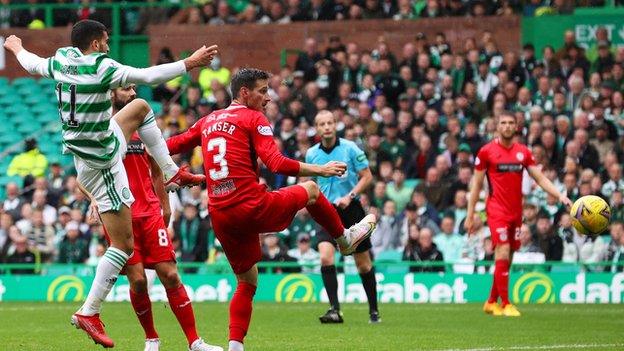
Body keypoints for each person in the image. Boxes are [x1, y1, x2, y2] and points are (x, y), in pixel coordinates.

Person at [3, 19, 217, 347]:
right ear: (96, 43)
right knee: (124, 246)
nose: (108, 45)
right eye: (105, 40)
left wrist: (15, 46)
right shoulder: (102, 67)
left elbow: (31, 62)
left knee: (141, 107)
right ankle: (89, 311)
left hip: (86, 146)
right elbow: (148, 76)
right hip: (103, 160)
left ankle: (172, 170)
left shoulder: (61, 61)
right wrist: (189, 63)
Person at [166, 68, 377, 351]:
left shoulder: (209, 120)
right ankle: (344, 239)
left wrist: (134, 146)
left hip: (221, 215)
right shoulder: (253, 118)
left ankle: (235, 346)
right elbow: (275, 162)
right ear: (244, 92)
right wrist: (320, 170)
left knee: (247, 280)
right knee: (312, 190)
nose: (268, 97)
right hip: (250, 206)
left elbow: (171, 144)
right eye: (263, 91)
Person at [111, 85, 221, 350]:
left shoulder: (143, 127)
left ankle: (195, 341)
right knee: (137, 280)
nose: (132, 90)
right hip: (120, 213)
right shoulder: (102, 129)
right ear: (111, 92)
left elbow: (158, 169)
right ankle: (151, 338)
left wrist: (166, 204)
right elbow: (85, 171)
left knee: (170, 274)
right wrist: (93, 199)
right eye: (125, 87)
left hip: (149, 211)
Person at [464, 111, 572, 317]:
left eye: (510, 123)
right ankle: (505, 303)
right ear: (497, 126)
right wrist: (470, 215)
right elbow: (476, 184)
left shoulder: (523, 152)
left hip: (516, 211)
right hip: (496, 210)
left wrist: (560, 195)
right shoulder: (486, 152)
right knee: (502, 251)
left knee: (509, 256)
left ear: (516, 127)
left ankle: (490, 301)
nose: (506, 126)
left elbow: (540, 178)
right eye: (503, 123)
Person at [305, 110, 379, 324]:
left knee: (363, 264)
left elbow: (367, 176)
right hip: (326, 210)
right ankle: (334, 310)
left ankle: (373, 311)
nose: (326, 127)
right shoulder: (311, 154)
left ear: (335, 125)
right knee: (326, 257)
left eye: (330, 123)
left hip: (351, 210)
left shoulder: (350, 148)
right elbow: (311, 182)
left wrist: (350, 196)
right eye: (322, 124)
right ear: (317, 128)